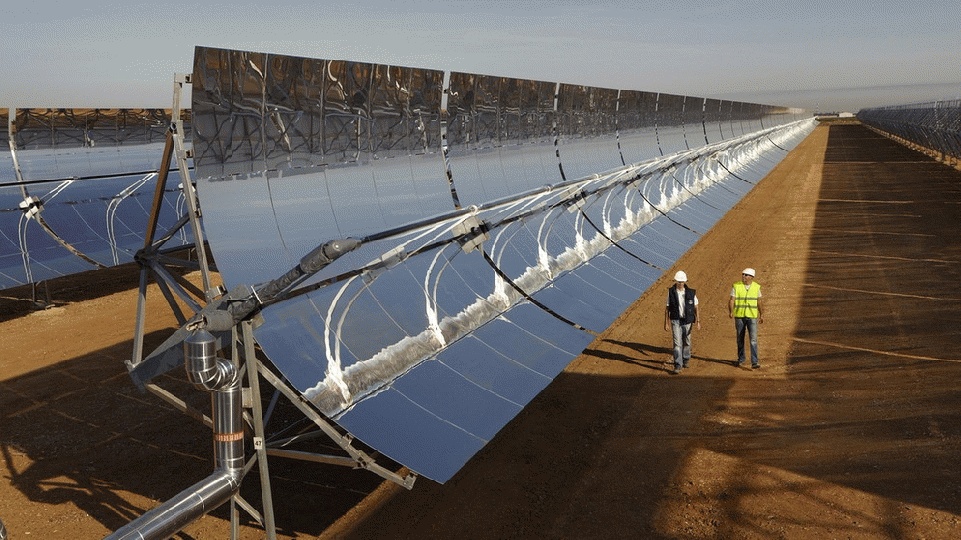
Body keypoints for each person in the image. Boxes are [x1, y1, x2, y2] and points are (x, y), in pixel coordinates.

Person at [664, 270, 700, 374]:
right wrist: (666, 322)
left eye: (682, 282)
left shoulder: (691, 293)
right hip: (676, 320)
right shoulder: (671, 292)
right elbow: (667, 308)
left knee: (687, 342)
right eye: (679, 281)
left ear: (685, 282)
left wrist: (698, 320)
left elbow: (696, 307)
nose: (680, 284)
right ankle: (678, 365)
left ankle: (686, 358)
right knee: (677, 344)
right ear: (675, 281)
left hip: (687, 321)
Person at [729, 268, 763, 369]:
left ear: (752, 277)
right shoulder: (736, 286)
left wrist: (761, 314)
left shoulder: (756, 287)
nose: (744, 276)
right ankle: (741, 359)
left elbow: (759, 301)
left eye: (746, 275)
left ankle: (754, 362)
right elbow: (731, 300)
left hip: (752, 316)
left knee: (753, 339)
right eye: (743, 274)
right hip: (739, 316)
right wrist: (731, 311)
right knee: (740, 338)